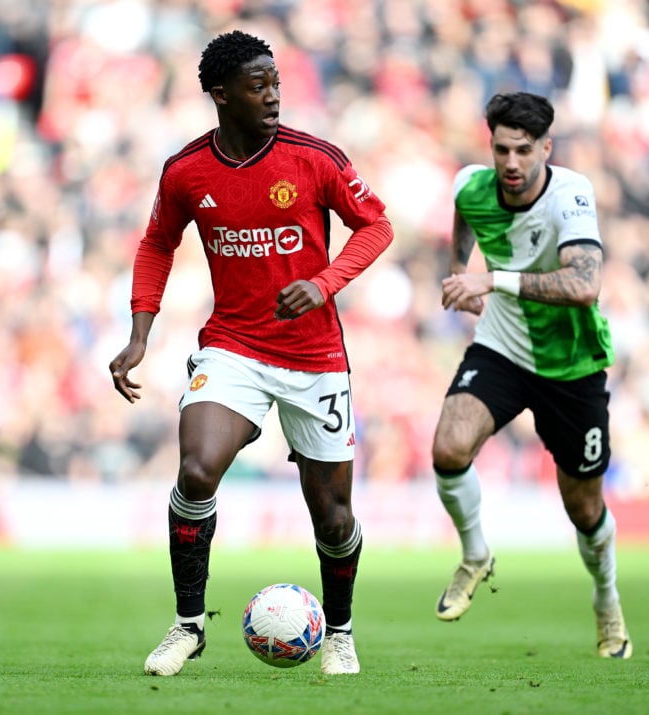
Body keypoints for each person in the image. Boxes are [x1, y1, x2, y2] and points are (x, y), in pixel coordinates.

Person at [109, 30, 393, 676]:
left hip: (315, 356)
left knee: (332, 515)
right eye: (257, 85)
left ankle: (341, 632)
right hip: (233, 344)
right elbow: (157, 243)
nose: (272, 95)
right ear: (220, 95)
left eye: (276, 82)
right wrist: (138, 334)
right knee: (197, 469)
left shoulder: (314, 158)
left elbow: (377, 225)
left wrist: (322, 284)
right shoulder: (186, 171)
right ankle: (187, 625)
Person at [431, 92, 631, 658]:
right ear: (489, 146)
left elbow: (584, 286)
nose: (512, 163)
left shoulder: (571, 195)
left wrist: (493, 281)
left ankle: (606, 598)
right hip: (502, 347)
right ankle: (475, 555)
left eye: (524, 150)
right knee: (448, 448)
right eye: (502, 150)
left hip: (572, 365)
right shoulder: (472, 184)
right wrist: (456, 269)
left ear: (546, 147)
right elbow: (464, 215)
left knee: (584, 508)